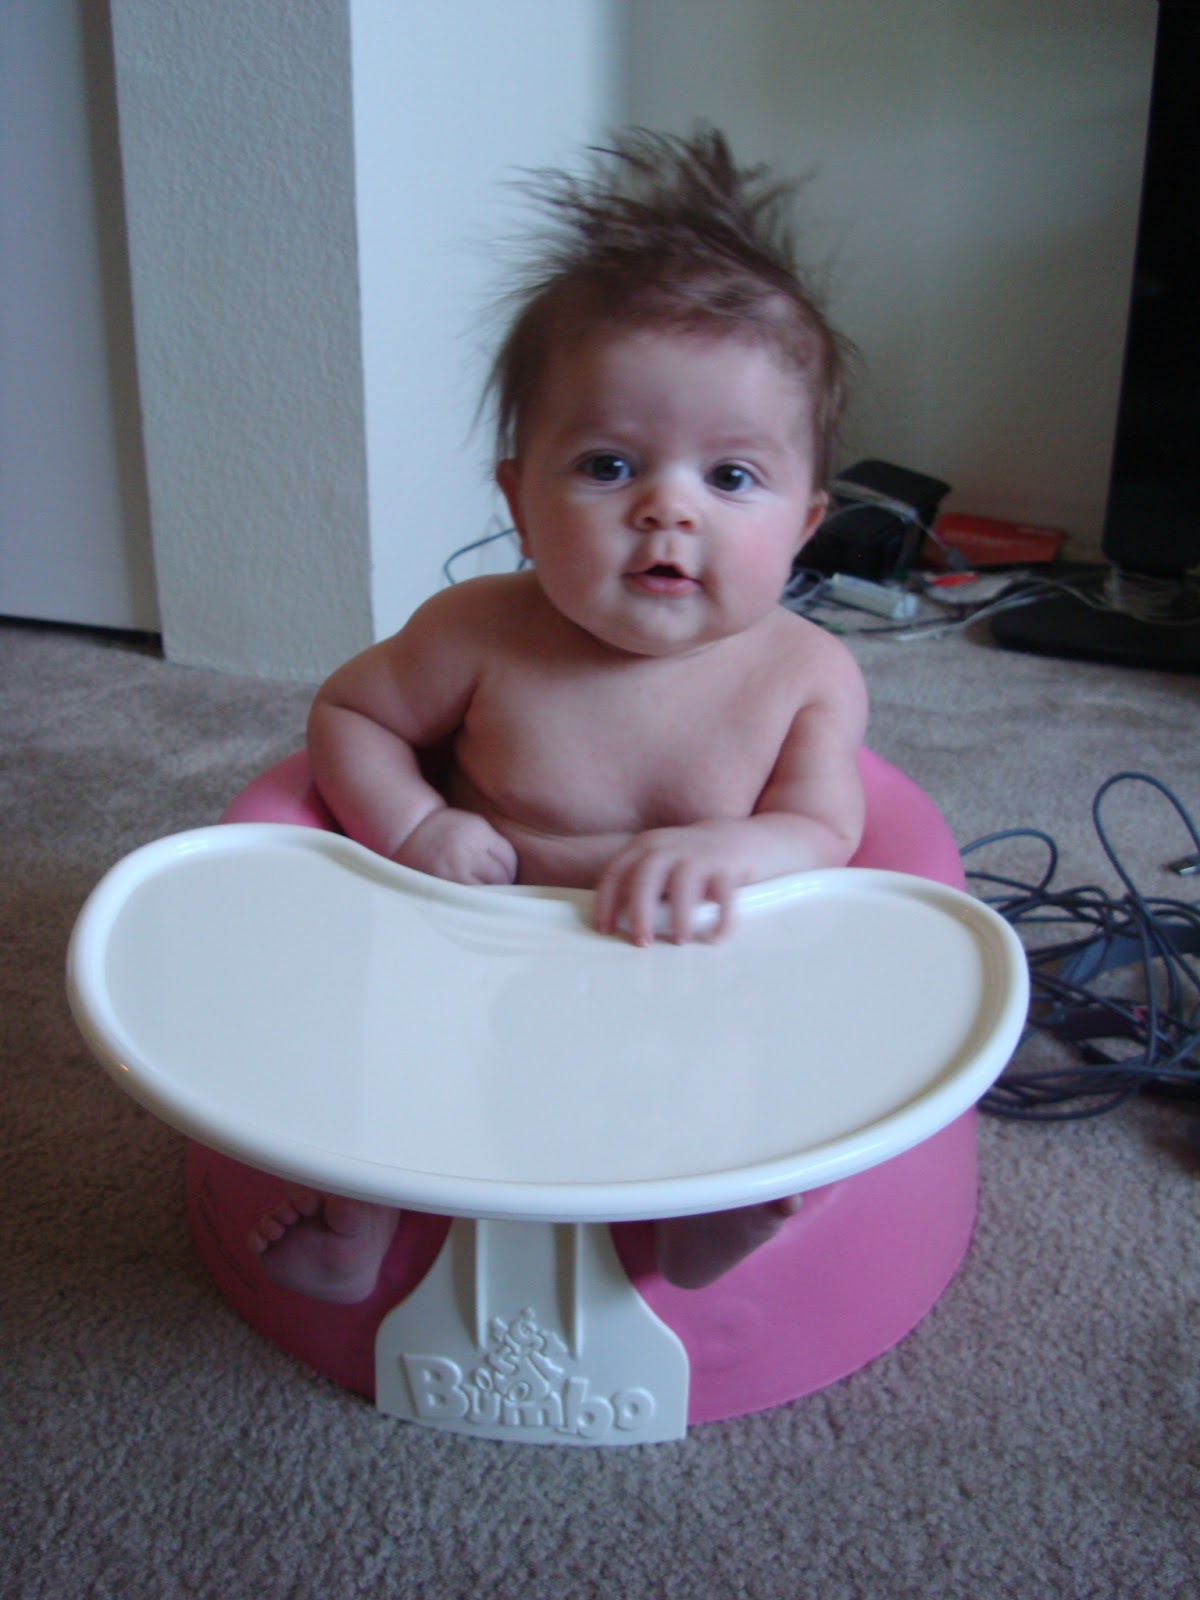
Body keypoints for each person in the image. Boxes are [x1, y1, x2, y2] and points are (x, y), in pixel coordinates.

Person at [249, 126, 869, 1299]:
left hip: (676, 979)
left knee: (771, 1052)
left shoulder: (806, 673)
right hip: (475, 959)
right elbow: (350, 716)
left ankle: (704, 1216)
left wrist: (732, 848)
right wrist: (416, 828)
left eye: (731, 477)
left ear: (805, 521)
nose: (666, 512)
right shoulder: (478, 632)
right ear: (517, 499)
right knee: (373, 1042)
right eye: (606, 466)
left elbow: (830, 827)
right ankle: (356, 1221)